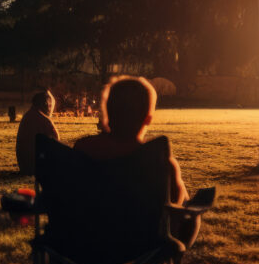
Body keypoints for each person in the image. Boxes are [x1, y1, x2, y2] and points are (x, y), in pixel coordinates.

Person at [74, 76, 198, 246]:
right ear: (148, 118)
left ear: (108, 112)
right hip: (141, 243)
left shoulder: (83, 149)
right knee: (188, 207)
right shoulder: (158, 161)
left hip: (87, 238)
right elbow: (175, 205)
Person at [15, 90, 59, 175]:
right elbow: (56, 142)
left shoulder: (27, 117)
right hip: (37, 165)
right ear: (46, 104)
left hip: (24, 165)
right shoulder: (44, 121)